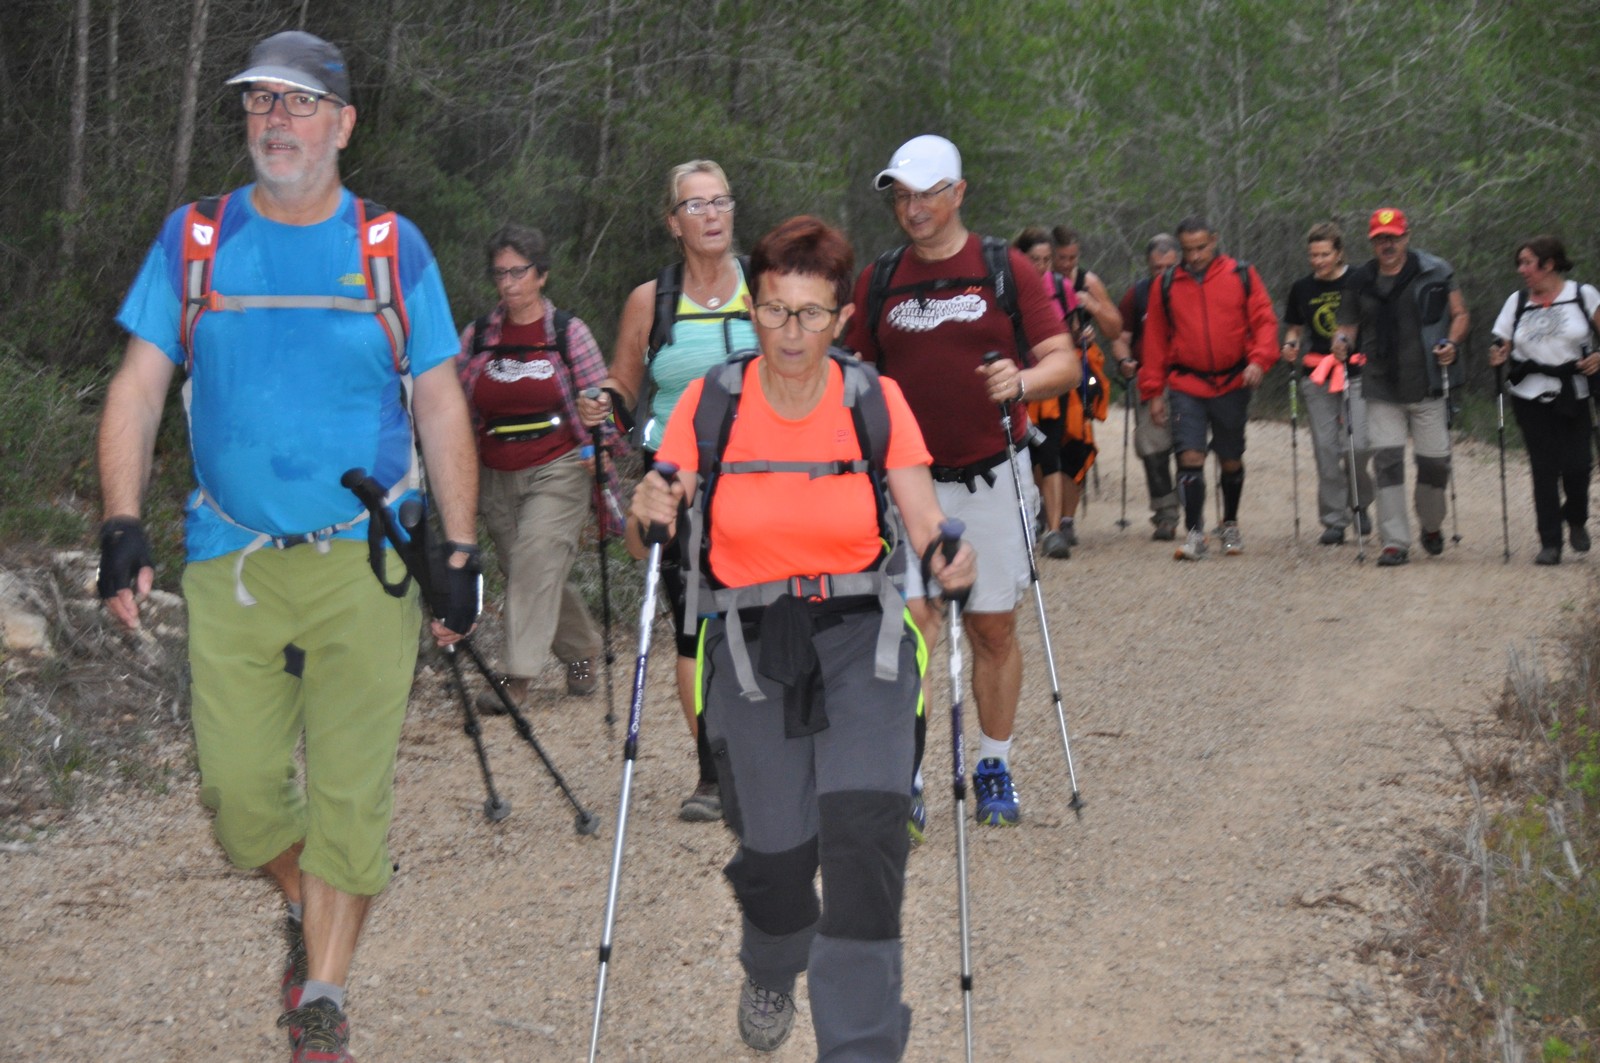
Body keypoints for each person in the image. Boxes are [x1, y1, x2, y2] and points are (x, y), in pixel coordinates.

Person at [94, 31, 477, 1063]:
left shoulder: (390, 247)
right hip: (231, 552)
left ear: (343, 125)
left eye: (301, 103)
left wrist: (458, 547)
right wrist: (121, 522)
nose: (277, 120)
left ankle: (322, 997)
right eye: (262, 100)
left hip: (366, 555)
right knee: (239, 798)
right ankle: (309, 901)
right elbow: (139, 385)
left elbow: (440, 398)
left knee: (352, 793)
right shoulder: (197, 239)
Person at [629, 215, 976, 1060]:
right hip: (750, 642)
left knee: (864, 839)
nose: (791, 332)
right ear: (752, 308)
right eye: (776, 310)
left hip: (864, 636)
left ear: (842, 318)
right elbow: (656, 514)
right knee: (777, 854)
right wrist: (649, 507)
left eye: (812, 313)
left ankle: (860, 1044)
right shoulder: (713, 400)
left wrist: (946, 554)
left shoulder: (872, 399)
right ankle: (772, 960)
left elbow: (923, 515)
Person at [847, 134, 1078, 828]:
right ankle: (909, 772)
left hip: (992, 474)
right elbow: (855, 374)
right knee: (909, 629)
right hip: (906, 482)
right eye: (902, 196)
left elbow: (1064, 361)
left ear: (959, 193)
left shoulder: (1004, 268)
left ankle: (993, 765)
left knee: (992, 629)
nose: (913, 208)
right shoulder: (879, 278)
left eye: (927, 194)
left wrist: (1022, 380)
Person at [577, 160, 758, 823]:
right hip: (677, 477)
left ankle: (777, 756)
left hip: (764, 474)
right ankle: (716, 770)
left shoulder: (764, 286)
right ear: (673, 223)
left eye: (721, 202)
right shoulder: (650, 300)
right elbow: (626, 384)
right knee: (695, 625)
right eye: (695, 205)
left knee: (767, 619)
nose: (712, 215)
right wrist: (603, 402)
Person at [456, 224, 622, 711]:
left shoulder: (568, 333)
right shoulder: (478, 336)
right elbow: (456, 407)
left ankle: (516, 679)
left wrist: (602, 443)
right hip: (496, 471)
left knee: (533, 558)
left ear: (542, 275)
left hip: (560, 465)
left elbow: (602, 401)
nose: (509, 283)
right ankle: (581, 650)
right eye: (500, 273)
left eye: (519, 272)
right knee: (528, 569)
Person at [1332, 207, 1470, 567]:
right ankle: (1394, 542)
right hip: (1380, 385)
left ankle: (1431, 525)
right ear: (1372, 243)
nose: (1387, 245)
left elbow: (1460, 314)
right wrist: (1341, 342)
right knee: (1388, 462)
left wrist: (1451, 343)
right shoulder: (1360, 280)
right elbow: (1347, 326)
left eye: (1393, 237)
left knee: (1435, 464)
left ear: (1406, 237)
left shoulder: (1435, 271)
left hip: (1427, 383)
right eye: (1380, 239)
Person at [1138, 216, 1278, 560]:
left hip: (1233, 382)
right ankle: (1195, 533)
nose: (1196, 256)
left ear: (1214, 241)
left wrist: (1259, 360)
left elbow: (1264, 320)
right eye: (1188, 250)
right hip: (1186, 384)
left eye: (1201, 247)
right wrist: (1153, 392)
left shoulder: (1241, 275)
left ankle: (1229, 523)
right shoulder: (1167, 284)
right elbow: (1155, 340)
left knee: (1230, 458)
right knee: (1189, 456)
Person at [1487, 234, 1600, 565]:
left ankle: (1576, 517)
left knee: (1579, 466)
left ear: (1549, 264)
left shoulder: (1582, 295)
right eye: (1520, 263)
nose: (1521, 270)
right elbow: (1501, 340)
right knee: (1544, 468)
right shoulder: (1517, 301)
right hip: (1529, 395)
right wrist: (1498, 353)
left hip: (1573, 392)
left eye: (1527, 263)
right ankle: (1550, 542)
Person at [1281, 221, 1373, 545]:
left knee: (1358, 446)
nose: (1318, 261)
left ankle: (1360, 503)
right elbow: (1295, 327)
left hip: (1357, 371)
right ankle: (1334, 520)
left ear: (1339, 253)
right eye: (1313, 255)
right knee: (1326, 448)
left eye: (1324, 254)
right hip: (1317, 373)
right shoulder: (1302, 288)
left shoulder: (1360, 280)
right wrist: (1290, 344)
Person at [1040, 226, 1122, 556]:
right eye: (1060, 258)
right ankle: (1046, 514)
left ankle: (1067, 520)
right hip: (1045, 370)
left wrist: (1093, 307)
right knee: (1043, 443)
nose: (1066, 264)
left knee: (1077, 442)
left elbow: (1114, 328)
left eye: (1072, 258)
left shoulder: (1087, 282)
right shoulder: (1036, 280)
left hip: (1080, 371)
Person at [1112, 234, 1181, 539]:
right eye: (1157, 268)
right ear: (1148, 266)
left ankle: (1193, 513)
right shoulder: (1138, 294)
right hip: (1150, 378)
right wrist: (1124, 360)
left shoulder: (1193, 290)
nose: (1163, 273)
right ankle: (1166, 514)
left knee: (1189, 448)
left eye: (1169, 267)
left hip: (1188, 378)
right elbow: (1121, 336)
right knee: (1152, 447)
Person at [1013, 226, 1072, 558]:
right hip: (1013, 386)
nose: (1041, 266)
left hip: (1048, 385)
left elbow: (1070, 330)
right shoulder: (1004, 289)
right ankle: (1025, 524)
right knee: (1020, 455)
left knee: (1050, 455)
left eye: (1047, 259)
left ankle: (1054, 529)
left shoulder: (1061, 289)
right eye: (1034, 259)